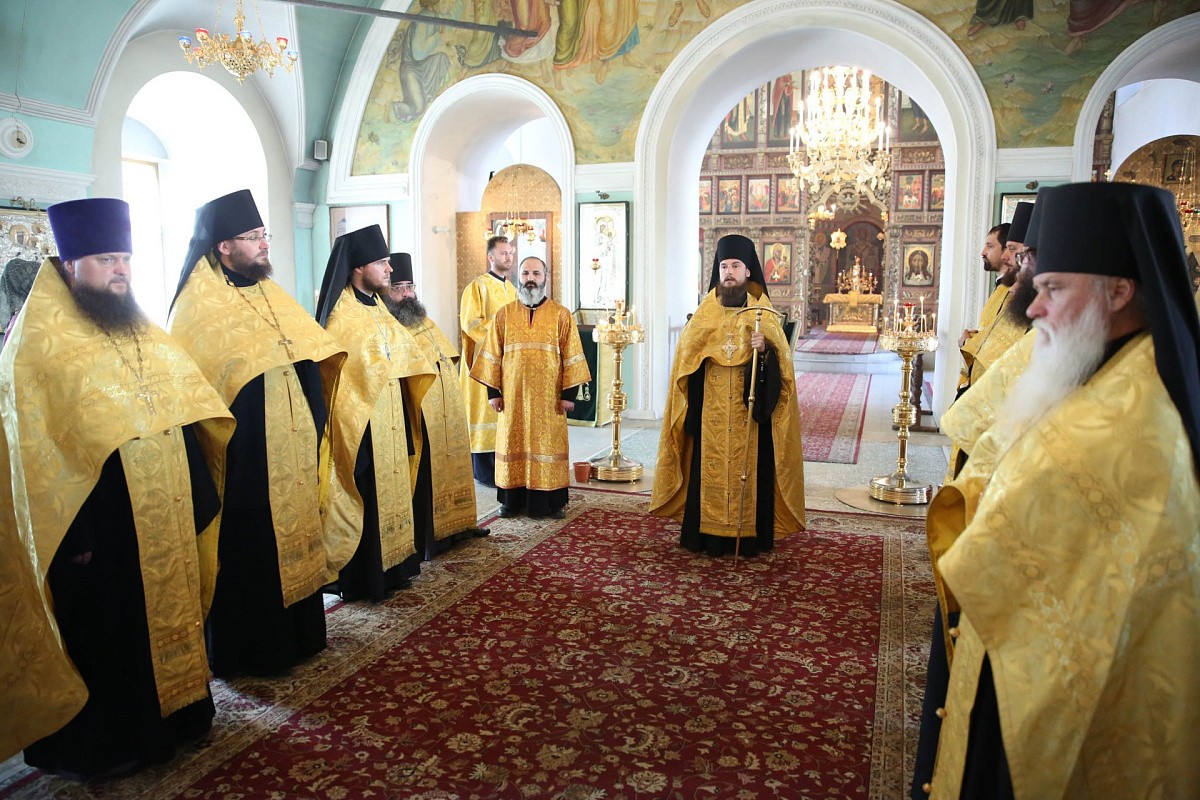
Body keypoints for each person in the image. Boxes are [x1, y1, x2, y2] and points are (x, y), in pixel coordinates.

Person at [924, 182, 1200, 798]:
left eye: (1052, 288)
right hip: (1027, 653)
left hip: (1061, 697)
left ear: (1119, 291)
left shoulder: (1134, 417)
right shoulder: (1106, 369)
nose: (1033, 309)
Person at [0, 198, 234, 776]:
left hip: (164, 508)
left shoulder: (139, 329)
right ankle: (114, 746)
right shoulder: (37, 345)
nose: (120, 270)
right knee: (112, 632)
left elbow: (179, 406)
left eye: (124, 258)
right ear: (70, 265)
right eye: (106, 259)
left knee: (166, 617)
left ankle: (182, 717)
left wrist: (198, 492)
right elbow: (34, 452)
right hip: (99, 527)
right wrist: (75, 534)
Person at [170, 189, 346, 677]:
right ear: (224, 245)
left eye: (264, 234)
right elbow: (197, 388)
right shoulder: (197, 305)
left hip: (291, 443)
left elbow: (308, 352)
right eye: (252, 237)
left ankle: (303, 636)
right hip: (244, 455)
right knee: (252, 545)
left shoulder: (270, 292)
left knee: (296, 530)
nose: (264, 244)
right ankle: (255, 651)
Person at [650, 234, 806, 557]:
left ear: (748, 271)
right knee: (707, 470)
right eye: (724, 266)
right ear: (717, 272)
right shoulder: (703, 315)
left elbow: (783, 371)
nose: (729, 272)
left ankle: (749, 539)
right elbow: (685, 362)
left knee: (752, 470)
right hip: (710, 413)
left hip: (751, 414)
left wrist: (765, 350)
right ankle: (705, 536)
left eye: (735, 266)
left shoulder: (763, 315)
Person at [316, 228, 435, 601]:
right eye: (381, 262)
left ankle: (395, 569)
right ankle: (366, 579)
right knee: (367, 490)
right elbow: (338, 375)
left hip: (392, 415)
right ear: (358, 268)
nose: (389, 268)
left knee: (394, 489)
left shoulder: (379, 307)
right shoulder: (342, 314)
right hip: (362, 422)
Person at [383, 252, 489, 555]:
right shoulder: (389, 326)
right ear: (386, 292)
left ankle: (460, 526)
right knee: (428, 473)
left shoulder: (423, 320)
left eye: (410, 286)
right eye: (398, 288)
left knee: (454, 463)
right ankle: (434, 537)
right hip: (419, 412)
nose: (406, 294)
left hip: (445, 410)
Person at [470, 256, 590, 519]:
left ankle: (551, 503)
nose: (530, 279)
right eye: (525, 273)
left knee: (547, 447)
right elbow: (492, 356)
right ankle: (510, 502)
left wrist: (568, 395)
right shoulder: (504, 314)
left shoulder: (561, 314)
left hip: (549, 400)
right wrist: (493, 393)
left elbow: (572, 356)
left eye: (536, 273)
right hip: (512, 398)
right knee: (512, 445)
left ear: (545, 277)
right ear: (519, 277)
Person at [459, 235, 518, 487]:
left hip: (508, 361)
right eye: (504, 253)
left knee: (502, 413)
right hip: (484, 362)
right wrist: (500, 338)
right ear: (491, 257)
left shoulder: (512, 289)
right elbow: (471, 324)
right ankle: (483, 471)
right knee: (484, 411)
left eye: (511, 252)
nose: (509, 257)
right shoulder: (477, 287)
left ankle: (504, 466)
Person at [956, 212, 1028, 397]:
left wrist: (967, 342)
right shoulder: (1003, 288)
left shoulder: (1018, 295)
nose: (1005, 256)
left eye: (990, 245)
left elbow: (1006, 345)